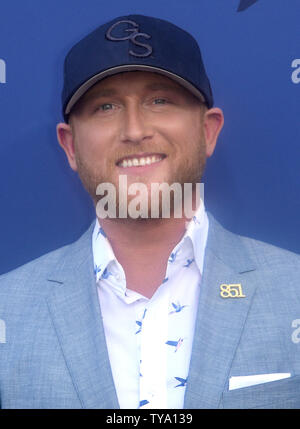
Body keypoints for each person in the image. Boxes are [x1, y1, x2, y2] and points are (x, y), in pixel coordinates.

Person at [0, 14, 300, 410]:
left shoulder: (293, 291)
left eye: (160, 100)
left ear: (208, 131)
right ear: (70, 146)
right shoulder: (8, 309)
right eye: (105, 106)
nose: (135, 129)